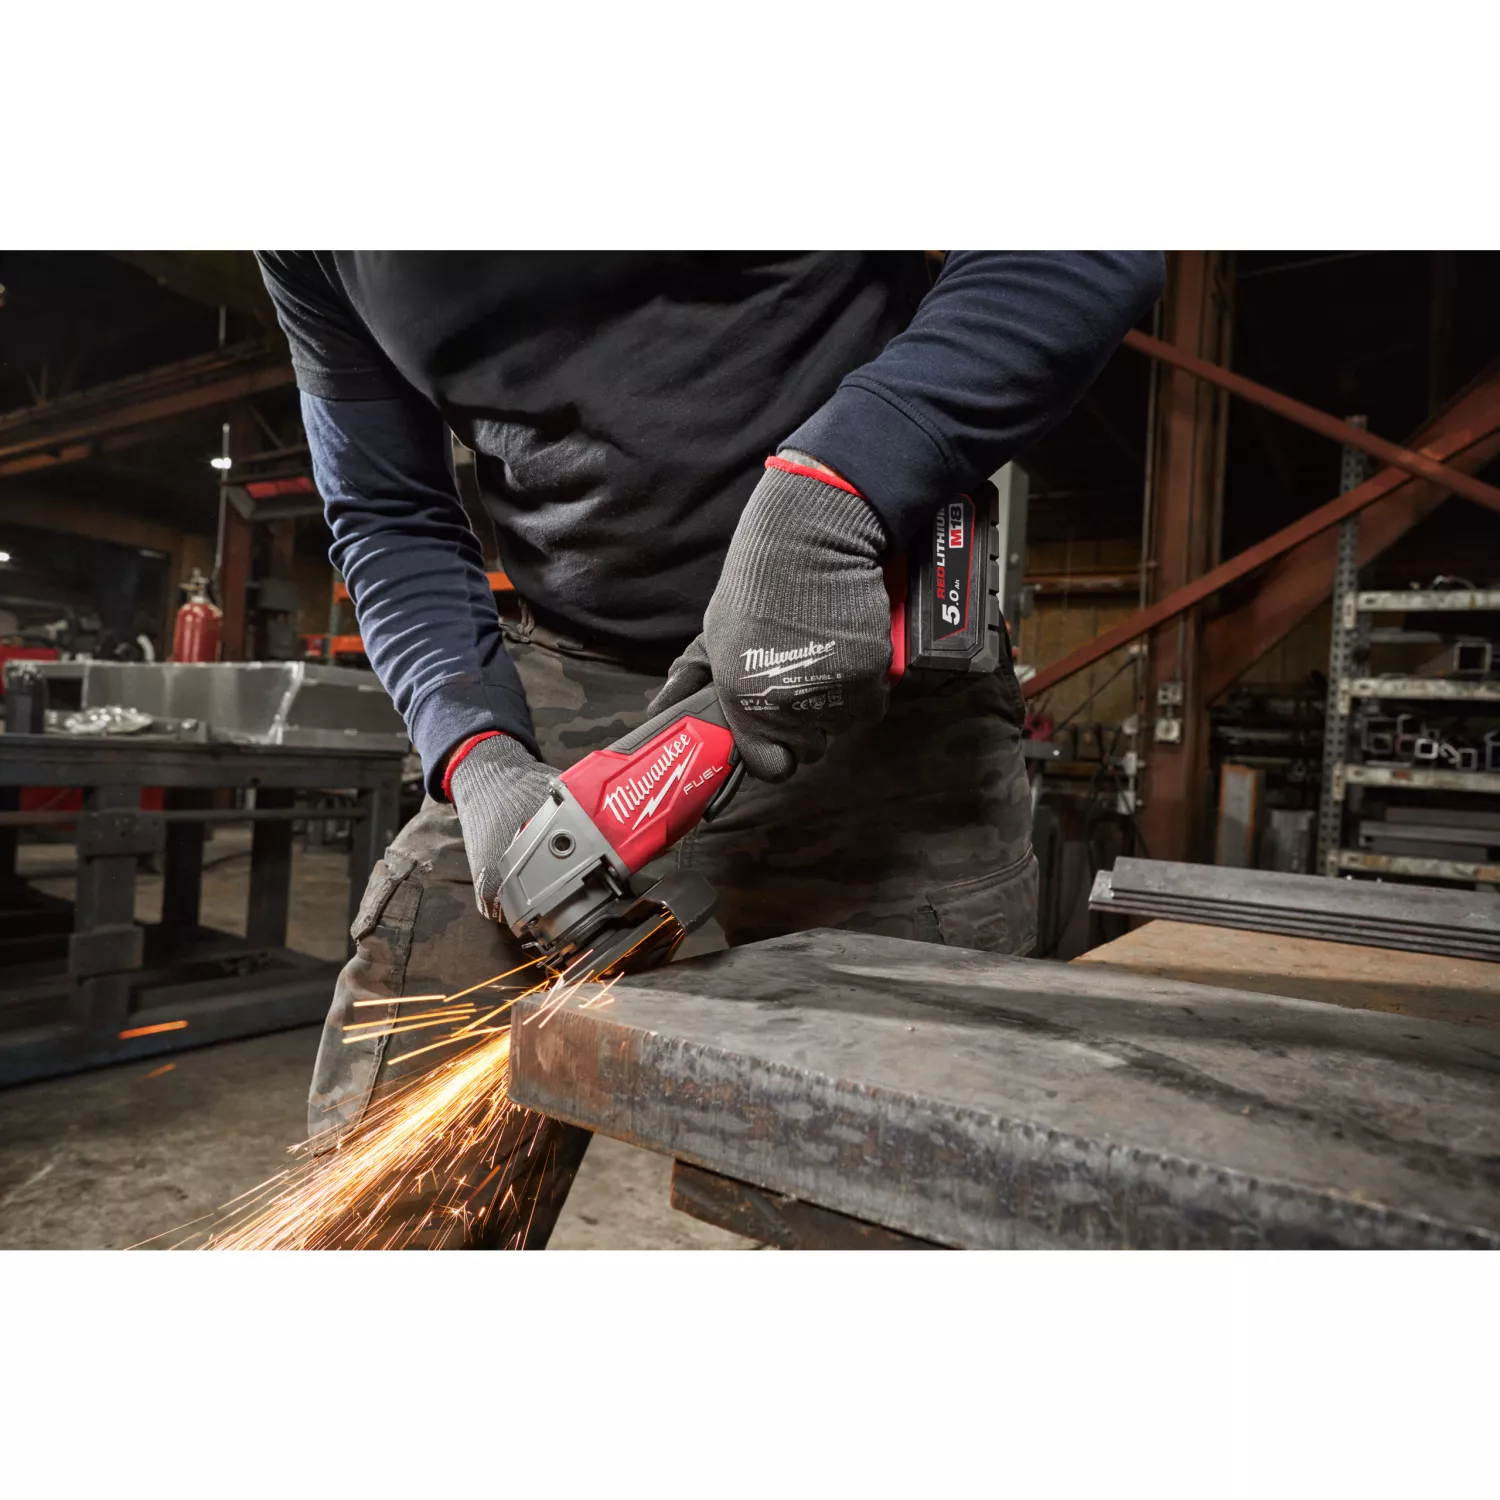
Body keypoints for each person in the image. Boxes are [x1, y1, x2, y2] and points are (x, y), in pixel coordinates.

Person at [255, 250, 1165, 1248]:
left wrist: (841, 491)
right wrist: (475, 750)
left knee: (908, 1195)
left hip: (867, 619)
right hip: (566, 675)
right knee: (391, 1197)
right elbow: (384, 510)